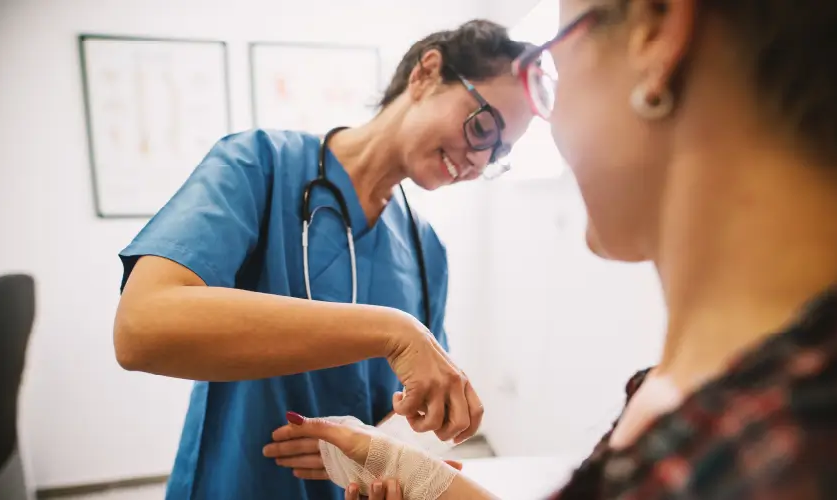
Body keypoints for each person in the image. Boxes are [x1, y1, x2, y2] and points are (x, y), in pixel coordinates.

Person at [271, 0, 837, 498]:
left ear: (658, 29)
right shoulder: (716, 403)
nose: (557, 116)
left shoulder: (772, 454)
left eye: (556, 71)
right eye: (484, 129)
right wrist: (408, 470)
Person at [112, 19, 534, 500]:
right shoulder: (259, 165)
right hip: (239, 483)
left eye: (497, 155)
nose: (479, 162)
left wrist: (389, 448)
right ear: (426, 74)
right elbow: (140, 329)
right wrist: (392, 331)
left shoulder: (425, 248)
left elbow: (415, 404)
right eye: (483, 127)